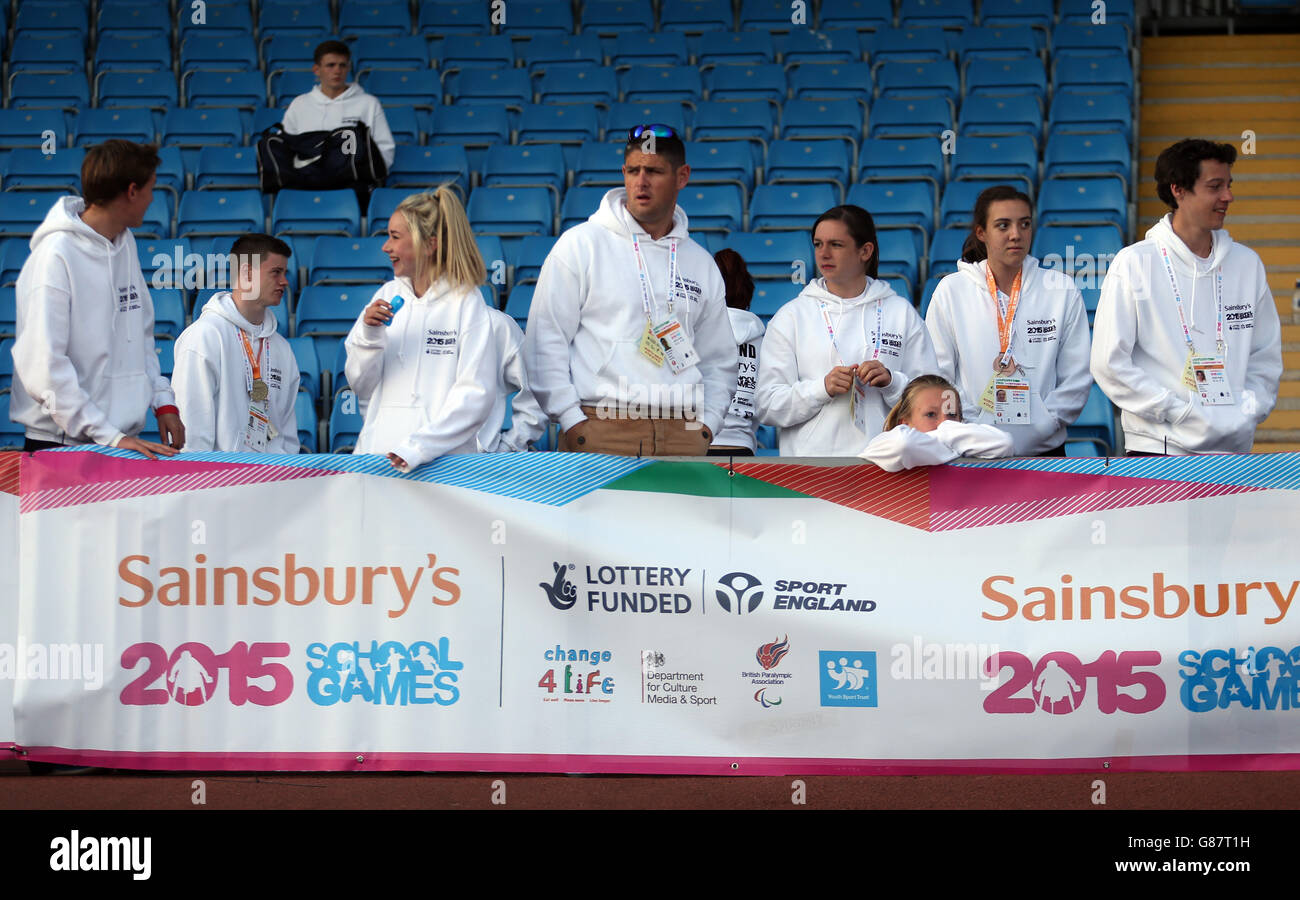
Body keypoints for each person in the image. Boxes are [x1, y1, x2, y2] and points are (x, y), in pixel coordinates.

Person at [525, 125, 736, 456]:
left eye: (654, 171)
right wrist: (571, 420)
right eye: (633, 170)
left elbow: (719, 359)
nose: (641, 181)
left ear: (682, 176)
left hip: (683, 431)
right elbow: (544, 340)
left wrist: (707, 425)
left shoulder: (699, 261)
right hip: (601, 426)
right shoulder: (581, 245)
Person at [1091, 139, 1282, 455]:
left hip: (1232, 452)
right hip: (1160, 448)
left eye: (1229, 185)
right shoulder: (1135, 263)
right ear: (1178, 190)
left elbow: (1265, 356)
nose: (1228, 197)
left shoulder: (1247, 264)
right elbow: (1108, 363)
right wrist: (1175, 410)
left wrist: (1247, 410)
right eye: (1215, 186)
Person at [11, 140, 183, 459]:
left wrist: (163, 402)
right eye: (150, 189)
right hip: (62, 446)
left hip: (117, 442)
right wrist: (109, 435)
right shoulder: (55, 257)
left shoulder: (124, 242)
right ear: (132, 191)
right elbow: (43, 365)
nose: (151, 200)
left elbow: (139, 338)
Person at [924, 185, 1092, 457]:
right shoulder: (951, 291)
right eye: (1003, 226)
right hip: (972, 450)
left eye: (1024, 224)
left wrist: (1044, 423)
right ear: (981, 233)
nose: (1016, 235)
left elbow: (1077, 376)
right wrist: (975, 426)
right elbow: (938, 374)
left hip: (1044, 451)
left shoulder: (1061, 290)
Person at [755, 204, 937, 456]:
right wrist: (821, 388)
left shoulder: (901, 313)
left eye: (836, 245)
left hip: (887, 469)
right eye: (818, 244)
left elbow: (933, 402)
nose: (824, 254)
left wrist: (893, 383)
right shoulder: (791, 316)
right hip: (811, 473)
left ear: (865, 251)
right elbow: (766, 405)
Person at [344, 187, 496, 472]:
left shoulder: (465, 301)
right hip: (379, 463)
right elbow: (360, 385)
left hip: (444, 471)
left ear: (430, 244)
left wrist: (418, 448)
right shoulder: (386, 294)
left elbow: (476, 395)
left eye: (395, 237)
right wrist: (370, 335)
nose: (385, 247)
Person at [172, 234, 301, 453]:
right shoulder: (205, 336)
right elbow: (192, 430)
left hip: (274, 481)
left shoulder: (281, 348)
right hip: (220, 483)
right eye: (276, 272)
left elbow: (286, 432)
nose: (285, 281)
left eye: (285, 272)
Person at [859, 374, 1013, 471]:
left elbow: (1004, 442)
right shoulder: (887, 440)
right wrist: (947, 439)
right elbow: (903, 444)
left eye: (952, 415)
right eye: (931, 414)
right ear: (904, 423)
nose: (944, 422)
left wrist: (946, 435)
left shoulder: (956, 438)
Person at [282, 39, 395, 169]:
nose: (337, 71)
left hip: (352, 183)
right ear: (316, 69)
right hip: (308, 182)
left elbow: (384, 149)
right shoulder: (299, 104)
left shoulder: (369, 104)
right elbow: (284, 147)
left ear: (348, 68)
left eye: (342, 65)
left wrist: (363, 173)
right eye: (331, 65)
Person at [709, 248, 764, 456]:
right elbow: (765, 399)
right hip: (742, 446)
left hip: (699, 440)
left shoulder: (695, 333)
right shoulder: (762, 341)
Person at [478, 307, 546, 452]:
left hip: (478, 466)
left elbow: (538, 393)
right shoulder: (416, 322)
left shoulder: (496, 324)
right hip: (418, 463)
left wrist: (510, 445)